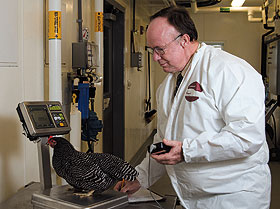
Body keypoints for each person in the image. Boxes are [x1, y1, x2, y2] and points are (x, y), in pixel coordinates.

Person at [114, 6, 271, 209]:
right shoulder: (168, 85)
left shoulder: (229, 71)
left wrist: (187, 151)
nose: (155, 58)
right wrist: (139, 177)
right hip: (192, 196)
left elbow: (247, 137)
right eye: (152, 50)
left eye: (160, 49)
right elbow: (163, 142)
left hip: (233, 196)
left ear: (184, 40)